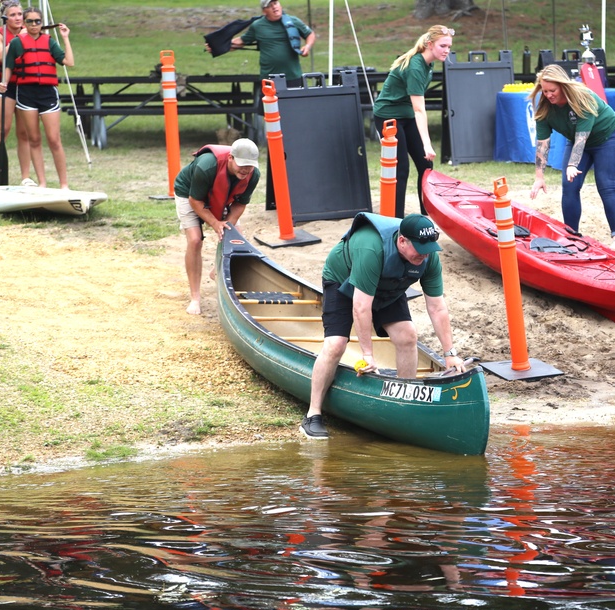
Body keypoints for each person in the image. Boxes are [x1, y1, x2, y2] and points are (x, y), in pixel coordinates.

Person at [300, 213, 466, 440]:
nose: (425, 254)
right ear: (402, 241)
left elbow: (437, 307)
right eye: (419, 248)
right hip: (344, 280)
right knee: (336, 343)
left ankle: (403, 406)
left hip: (387, 285)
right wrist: (367, 355)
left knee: (407, 336)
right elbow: (360, 307)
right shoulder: (372, 249)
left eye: (428, 248)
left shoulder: (428, 257)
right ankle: (313, 414)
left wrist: (450, 354)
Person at [528, 64, 615, 249]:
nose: (548, 95)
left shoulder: (582, 97)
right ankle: (571, 235)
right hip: (576, 140)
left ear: (563, 86)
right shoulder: (545, 108)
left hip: (608, 137)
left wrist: (573, 164)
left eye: (552, 90)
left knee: (606, 185)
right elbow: (542, 144)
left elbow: (582, 137)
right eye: (545, 90)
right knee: (569, 185)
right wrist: (539, 177)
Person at [371, 25, 453, 218]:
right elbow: (419, 109)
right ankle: (396, 220)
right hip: (388, 115)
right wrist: (427, 143)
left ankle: (427, 215)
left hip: (406, 115)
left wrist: (425, 148)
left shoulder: (429, 63)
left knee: (426, 166)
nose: (447, 51)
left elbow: (415, 109)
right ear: (429, 44)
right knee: (401, 169)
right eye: (443, 46)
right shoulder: (416, 66)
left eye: (449, 46)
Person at [174, 138, 261, 316]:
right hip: (189, 193)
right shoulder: (206, 166)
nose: (245, 170)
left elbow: (240, 204)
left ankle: (217, 271)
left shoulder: (253, 175)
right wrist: (215, 223)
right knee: (195, 240)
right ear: (230, 158)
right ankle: (195, 298)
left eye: (249, 166)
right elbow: (195, 201)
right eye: (242, 164)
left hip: (223, 195)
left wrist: (227, 225)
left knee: (235, 234)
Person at [0, 6, 73, 188]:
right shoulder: (17, 43)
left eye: (37, 21)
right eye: (30, 21)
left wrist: (65, 38)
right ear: (24, 23)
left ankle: (64, 184)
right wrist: (5, 82)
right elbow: (8, 67)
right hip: (26, 94)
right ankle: (42, 183)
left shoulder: (49, 42)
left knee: (54, 139)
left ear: (42, 24)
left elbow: (69, 62)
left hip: (47, 93)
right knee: (34, 139)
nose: (34, 24)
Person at [0, 0, 32, 186]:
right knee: (2, 130)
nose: (17, 18)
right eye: (13, 15)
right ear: (5, 18)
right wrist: (18, 39)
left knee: (24, 133)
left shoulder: (30, 33)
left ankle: (25, 177)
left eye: (20, 14)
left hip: (24, 86)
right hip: (4, 86)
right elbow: (1, 56)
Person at [226, 0, 315, 84]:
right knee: (269, 101)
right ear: (264, 11)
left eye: (275, 3)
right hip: (269, 78)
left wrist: (307, 46)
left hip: (293, 76)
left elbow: (310, 34)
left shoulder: (293, 21)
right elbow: (241, 41)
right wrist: (218, 46)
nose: (274, 7)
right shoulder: (258, 26)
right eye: (269, 6)